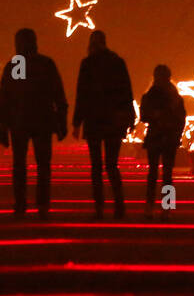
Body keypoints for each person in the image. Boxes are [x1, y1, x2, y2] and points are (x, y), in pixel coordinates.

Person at [0, 28, 68, 218]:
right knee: (43, 165)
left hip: (19, 121)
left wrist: (3, 127)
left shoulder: (16, 65)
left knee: (20, 164)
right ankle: (42, 204)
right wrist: (61, 121)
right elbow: (57, 94)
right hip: (43, 120)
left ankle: (21, 203)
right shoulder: (46, 63)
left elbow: (6, 97)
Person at [72, 30, 135, 219]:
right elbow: (127, 92)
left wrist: (77, 122)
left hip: (93, 120)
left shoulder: (87, 64)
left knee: (96, 166)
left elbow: (81, 94)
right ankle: (119, 203)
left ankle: (99, 206)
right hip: (114, 120)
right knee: (112, 164)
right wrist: (129, 117)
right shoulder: (117, 62)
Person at [139, 64, 186, 219]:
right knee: (167, 174)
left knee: (153, 173)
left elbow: (144, 116)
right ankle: (167, 208)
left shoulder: (149, 95)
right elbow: (181, 119)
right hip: (170, 138)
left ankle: (149, 206)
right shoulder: (175, 97)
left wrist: (155, 116)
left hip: (155, 136)